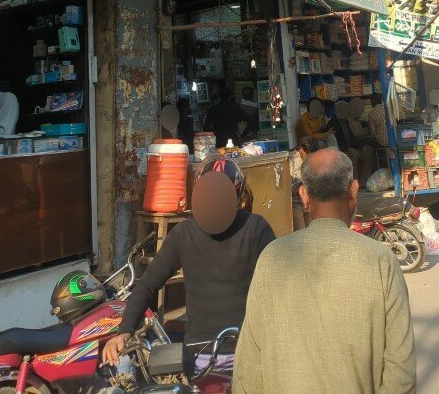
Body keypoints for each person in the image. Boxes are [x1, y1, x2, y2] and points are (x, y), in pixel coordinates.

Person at [233, 149, 416, 394]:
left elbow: (248, 370)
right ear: (353, 190)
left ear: (304, 195)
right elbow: (400, 372)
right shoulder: (381, 261)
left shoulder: (271, 258)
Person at [102, 154, 275, 372]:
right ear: (239, 193)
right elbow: (280, 285)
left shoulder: (184, 233)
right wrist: (125, 330)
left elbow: (147, 285)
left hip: (202, 356)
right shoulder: (256, 227)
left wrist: (124, 331)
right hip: (247, 354)